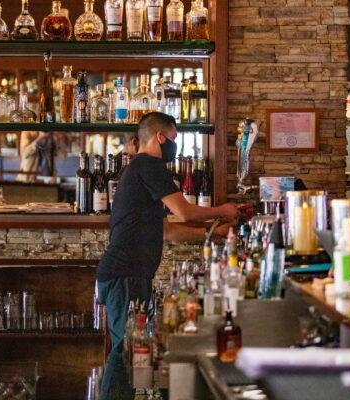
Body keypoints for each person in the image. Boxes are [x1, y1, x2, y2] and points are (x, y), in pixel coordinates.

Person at [97, 112, 239, 400]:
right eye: (174, 139)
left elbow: (168, 231)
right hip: (126, 272)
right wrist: (222, 210)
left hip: (128, 273)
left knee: (127, 349)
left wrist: (215, 233)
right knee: (123, 350)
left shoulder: (141, 170)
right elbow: (185, 212)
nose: (176, 146)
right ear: (160, 137)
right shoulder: (150, 165)